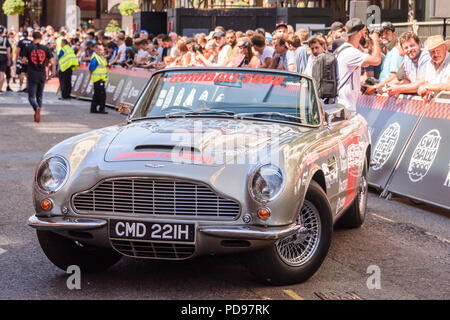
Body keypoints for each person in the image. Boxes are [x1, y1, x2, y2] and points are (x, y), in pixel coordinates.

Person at [335, 18, 381, 112]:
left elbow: (366, 64)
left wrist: (371, 46)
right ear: (359, 33)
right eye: (364, 32)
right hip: (345, 106)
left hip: (341, 104)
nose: (366, 34)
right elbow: (376, 60)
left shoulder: (343, 49)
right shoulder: (351, 52)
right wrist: (376, 41)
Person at [385, 31, 431, 97]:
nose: (409, 49)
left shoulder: (426, 56)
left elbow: (423, 83)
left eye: (412, 45)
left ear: (419, 44)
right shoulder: (407, 57)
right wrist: (388, 87)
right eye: (406, 48)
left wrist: (398, 89)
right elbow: (407, 80)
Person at [22, 31, 53, 122]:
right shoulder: (46, 48)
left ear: (32, 37)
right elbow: (52, 62)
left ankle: (36, 108)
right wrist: (44, 63)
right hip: (42, 74)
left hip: (32, 74)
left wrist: (29, 62)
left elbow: (23, 61)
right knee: (39, 96)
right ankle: (38, 111)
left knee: (31, 96)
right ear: (41, 38)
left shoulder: (28, 48)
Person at [417, 35, 450, 101]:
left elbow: (448, 86)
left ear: (444, 48)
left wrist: (427, 87)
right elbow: (427, 83)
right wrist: (426, 93)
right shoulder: (430, 63)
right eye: (432, 51)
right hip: (435, 104)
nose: (435, 54)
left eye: (438, 50)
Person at [89, 43, 108, 114]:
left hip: (101, 79)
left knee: (96, 95)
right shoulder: (95, 58)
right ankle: (101, 109)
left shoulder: (101, 57)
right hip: (98, 79)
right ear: (96, 50)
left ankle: (93, 109)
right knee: (102, 95)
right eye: (99, 50)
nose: (101, 51)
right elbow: (91, 68)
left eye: (102, 50)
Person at [0, 26, 12, 93]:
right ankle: (0, 88)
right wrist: (9, 59)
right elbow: (8, 50)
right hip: (3, 57)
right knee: (2, 73)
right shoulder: (6, 39)